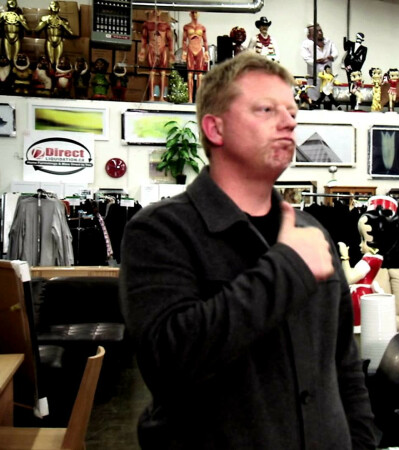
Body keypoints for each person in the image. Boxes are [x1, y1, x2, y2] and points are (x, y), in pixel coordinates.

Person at [119, 52, 376, 449]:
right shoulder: (160, 232)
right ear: (215, 129)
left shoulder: (312, 233)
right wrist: (287, 269)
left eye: (292, 111)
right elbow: (167, 362)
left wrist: (361, 441)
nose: (289, 121)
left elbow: (343, 364)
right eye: (266, 109)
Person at [338, 196, 399, 331]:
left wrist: (344, 257)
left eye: (364, 240)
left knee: (357, 330)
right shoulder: (377, 259)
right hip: (364, 296)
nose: (360, 244)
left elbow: (349, 278)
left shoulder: (369, 260)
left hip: (359, 298)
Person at [138, 9, 174, 101]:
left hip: (162, 49)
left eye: (158, 9)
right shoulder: (147, 24)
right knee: (152, 72)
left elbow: (170, 39)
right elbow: (144, 38)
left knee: (163, 73)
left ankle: (162, 97)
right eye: (155, 9)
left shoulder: (165, 25)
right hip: (152, 48)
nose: (156, 11)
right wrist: (142, 50)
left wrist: (171, 52)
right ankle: (151, 97)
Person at [34, 1, 73, 71]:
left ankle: (58, 74)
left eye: (57, 5)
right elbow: (36, 30)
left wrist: (63, 25)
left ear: (59, 8)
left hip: (59, 41)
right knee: (51, 60)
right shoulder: (45, 18)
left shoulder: (63, 20)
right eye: (53, 5)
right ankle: (50, 73)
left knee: (58, 61)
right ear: (49, 7)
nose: (55, 6)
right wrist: (46, 22)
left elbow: (71, 34)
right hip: (49, 41)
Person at [182, 10, 209, 103]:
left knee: (200, 75)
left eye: (196, 12)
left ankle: (198, 99)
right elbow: (184, 40)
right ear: (190, 14)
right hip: (190, 49)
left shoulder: (202, 27)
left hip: (199, 50)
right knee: (190, 74)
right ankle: (190, 99)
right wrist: (184, 52)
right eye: (193, 13)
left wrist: (206, 51)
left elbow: (205, 41)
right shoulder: (186, 27)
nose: (195, 15)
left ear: (199, 14)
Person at [0, 0, 30, 66]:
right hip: (6, 38)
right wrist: (1, 20)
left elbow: (28, 30)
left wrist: (20, 21)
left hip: (16, 38)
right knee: (8, 58)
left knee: (16, 58)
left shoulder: (20, 16)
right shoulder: (3, 15)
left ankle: (14, 70)